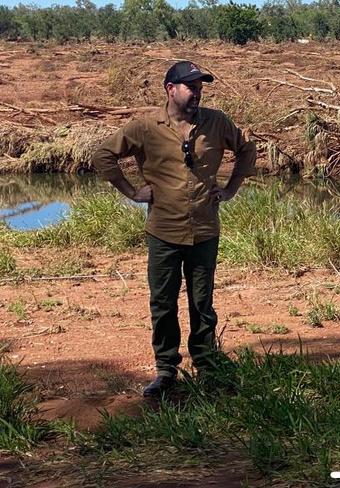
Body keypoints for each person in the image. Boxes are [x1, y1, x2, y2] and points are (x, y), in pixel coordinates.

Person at [92, 61, 256, 396]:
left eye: (200, 87)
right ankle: (166, 370)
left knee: (202, 302)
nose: (197, 92)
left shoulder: (216, 121)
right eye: (191, 86)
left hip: (205, 230)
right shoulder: (146, 127)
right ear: (171, 89)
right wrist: (133, 192)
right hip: (163, 231)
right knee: (163, 302)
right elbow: (104, 156)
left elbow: (246, 149)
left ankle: (207, 367)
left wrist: (230, 189)